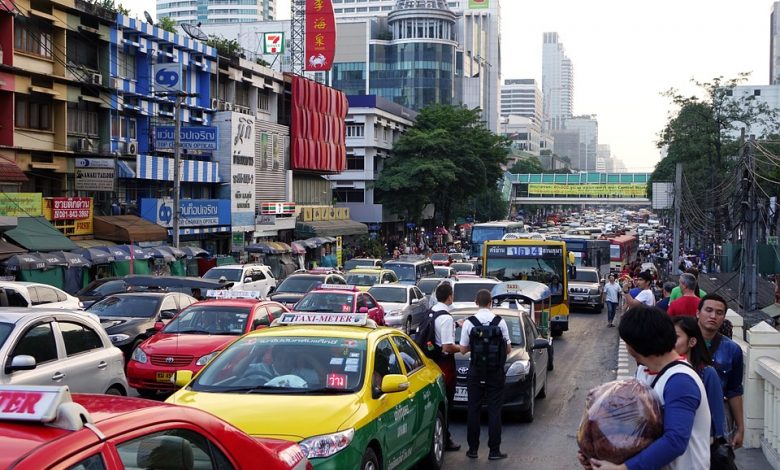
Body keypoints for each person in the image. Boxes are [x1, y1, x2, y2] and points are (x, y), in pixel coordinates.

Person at [580, 305, 710, 469]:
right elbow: (632, 426)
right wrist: (596, 453)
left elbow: (675, 440)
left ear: (634, 346)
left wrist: (624, 468)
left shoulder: (680, 381)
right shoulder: (643, 371)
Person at [459, 289, 512, 461]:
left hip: (475, 371)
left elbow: (463, 350)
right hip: (495, 372)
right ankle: (494, 451)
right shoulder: (500, 322)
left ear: (476, 302)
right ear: (491, 303)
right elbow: (508, 348)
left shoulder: (469, 322)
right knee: (494, 410)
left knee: (473, 409)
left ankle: (473, 449)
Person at [696, 294, 745, 450]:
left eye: (719, 313)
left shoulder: (732, 350)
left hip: (718, 414)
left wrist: (740, 427)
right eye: (708, 310)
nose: (713, 316)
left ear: (724, 317)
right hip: (686, 410)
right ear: (698, 313)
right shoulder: (682, 342)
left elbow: (734, 390)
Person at [672, 316, 727, 440]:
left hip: (699, 445)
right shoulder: (663, 370)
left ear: (692, 342)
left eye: (675, 337)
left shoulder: (707, 373)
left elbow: (717, 414)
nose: (669, 342)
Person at [430, 282, 462, 452]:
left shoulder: (433, 312)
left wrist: (456, 324)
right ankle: (446, 437)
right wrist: (464, 348)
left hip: (433, 361)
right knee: (447, 401)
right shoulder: (447, 317)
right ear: (450, 296)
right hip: (445, 363)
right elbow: (447, 346)